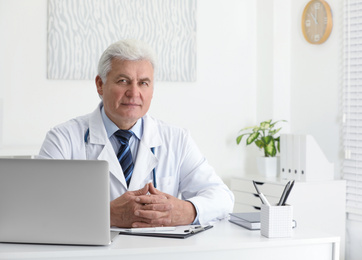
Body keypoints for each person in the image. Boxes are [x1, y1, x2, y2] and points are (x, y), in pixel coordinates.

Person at [39, 39, 234, 228]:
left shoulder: (177, 139)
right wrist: (106, 215)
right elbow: (38, 206)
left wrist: (184, 211)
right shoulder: (63, 138)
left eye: (143, 83)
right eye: (123, 81)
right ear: (100, 84)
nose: (134, 93)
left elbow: (222, 197)